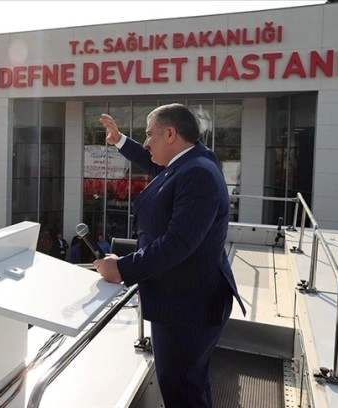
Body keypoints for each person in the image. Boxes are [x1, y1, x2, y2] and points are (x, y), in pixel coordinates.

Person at [94, 104, 245, 408]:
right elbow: (156, 165)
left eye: (150, 134)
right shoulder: (193, 161)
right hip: (187, 301)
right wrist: (120, 140)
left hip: (188, 308)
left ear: (171, 134)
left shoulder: (198, 174)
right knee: (189, 385)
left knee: (181, 391)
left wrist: (122, 269)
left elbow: (179, 242)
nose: (146, 142)